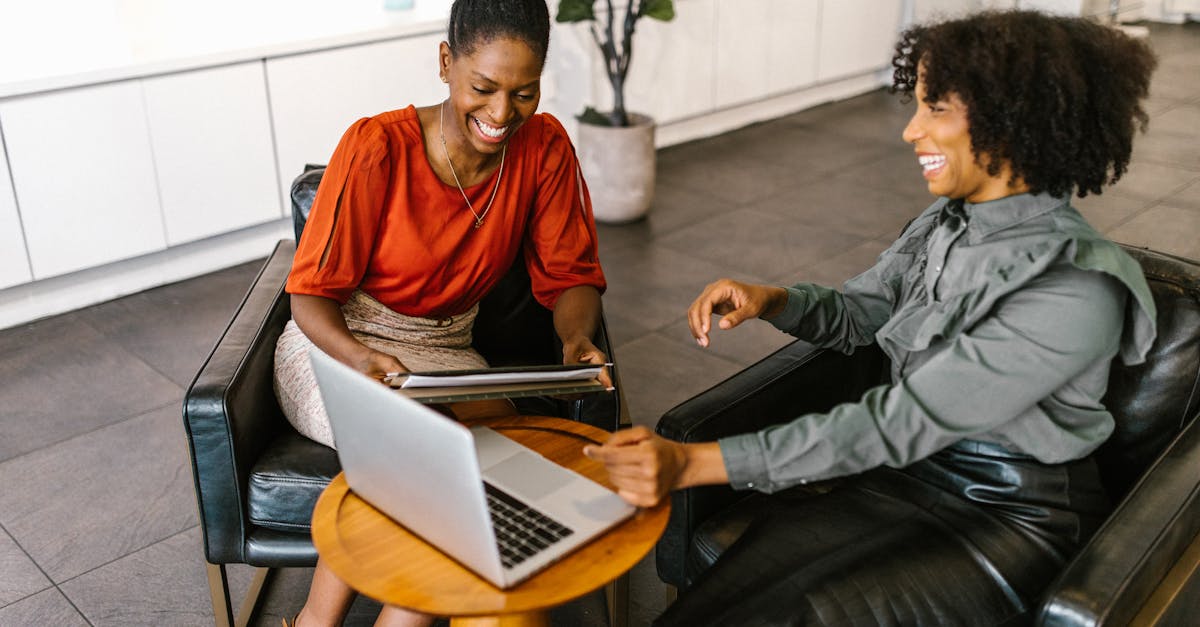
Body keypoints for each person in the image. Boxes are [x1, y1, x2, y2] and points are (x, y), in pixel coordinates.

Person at [584, 10, 1159, 626]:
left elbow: (903, 419)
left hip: (1011, 519)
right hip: (905, 476)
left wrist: (692, 463)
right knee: (728, 597)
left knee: (806, 610)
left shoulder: (1076, 283)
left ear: (1013, 116)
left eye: (935, 108)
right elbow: (861, 316)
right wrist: (774, 300)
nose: (911, 131)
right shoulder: (944, 226)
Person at [273, 1, 608, 625]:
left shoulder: (545, 148)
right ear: (446, 62)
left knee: (500, 460)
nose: (502, 114)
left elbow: (573, 277)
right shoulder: (376, 146)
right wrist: (360, 359)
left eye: (524, 92)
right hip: (340, 342)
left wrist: (576, 338)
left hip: (448, 350)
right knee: (421, 459)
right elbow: (310, 297)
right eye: (482, 88)